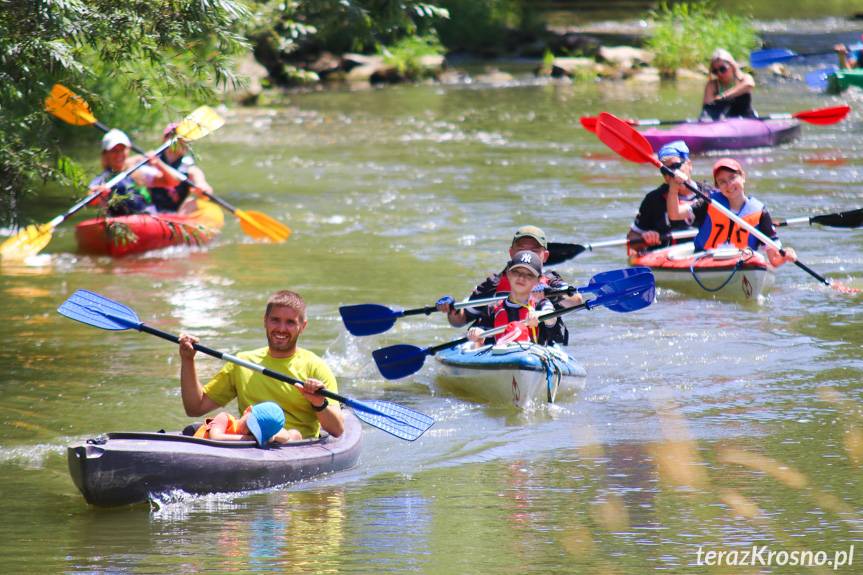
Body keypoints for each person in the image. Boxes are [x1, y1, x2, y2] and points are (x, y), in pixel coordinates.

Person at [178, 290, 344, 439]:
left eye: (290, 322)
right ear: (265, 321)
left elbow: (337, 430)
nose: (281, 328)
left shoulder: (315, 368)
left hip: (295, 447)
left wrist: (318, 403)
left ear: (303, 326)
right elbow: (195, 407)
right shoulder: (242, 362)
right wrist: (187, 360)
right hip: (249, 443)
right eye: (275, 320)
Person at [435, 225, 583, 345]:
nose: (527, 254)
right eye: (522, 248)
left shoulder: (550, 281)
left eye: (534, 250)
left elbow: (576, 301)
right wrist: (451, 309)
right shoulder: (493, 284)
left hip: (539, 346)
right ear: (511, 253)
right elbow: (459, 320)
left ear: (545, 256)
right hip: (497, 347)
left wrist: (550, 294)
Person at [665, 157, 797, 267]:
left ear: (743, 177)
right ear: (717, 186)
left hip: (741, 264)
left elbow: (774, 260)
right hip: (705, 262)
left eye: (732, 177)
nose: (729, 185)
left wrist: (786, 255)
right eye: (722, 182)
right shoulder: (708, 203)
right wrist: (674, 187)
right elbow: (674, 214)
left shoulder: (760, 213)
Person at [466, 250, 560, 347]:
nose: (521, 277)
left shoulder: (541, 303)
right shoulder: (493, 308)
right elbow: (481, 330)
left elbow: (551, 317)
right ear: (508, 274)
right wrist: (477, 334)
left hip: (534, 356)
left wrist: (539, 315)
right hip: (502, 355)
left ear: (538, 280)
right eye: (517, 272)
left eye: (529, 275)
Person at [88, 128, 179, 216]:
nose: (119, 154)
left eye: (122, 149)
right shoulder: (103, 178)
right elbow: (90, 198)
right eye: (114, 151)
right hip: (121, 222)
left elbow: (173, 182)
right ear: (106, 154)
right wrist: (99, 194)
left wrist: (158, 163)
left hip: (149, 218)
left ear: (128, 150)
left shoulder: (139, 171)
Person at [626, 141, 698, 253]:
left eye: (676, 166)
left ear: (689, 165)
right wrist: (645, 237)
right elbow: (632, 238)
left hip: (701, 255)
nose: (672, 173)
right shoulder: (653, 199)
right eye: (665, 170)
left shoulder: (709, 194)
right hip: (665, 257)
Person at [148, 122, 214, 213]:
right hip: (151, 210)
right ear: (165, 139)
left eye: (184, 138)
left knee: (192, 202)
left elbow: (202, 183)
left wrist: (203, 188)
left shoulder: (189, 167)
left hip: (177, 212)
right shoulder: (150, 159)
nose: (181, 141)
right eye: (175, 136)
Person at [193, 401, 302, 445]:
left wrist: (270, 437)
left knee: (293, 434)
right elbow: (215, 437)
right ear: (247, 410)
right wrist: (249, 438)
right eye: (249, 426)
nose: (246, 432)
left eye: (253, 433)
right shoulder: (225, 419)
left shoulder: (264, 435)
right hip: (198, 448)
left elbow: (286, 436)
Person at [701, 49, 756, 121]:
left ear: (732, 66)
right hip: (723, 119)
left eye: (722, 69)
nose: (719, 73)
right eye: (715, 71)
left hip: (745, 117)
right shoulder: (712, 85)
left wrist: (722, 96)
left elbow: (749, 85)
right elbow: (707, 106)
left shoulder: (744, 78)